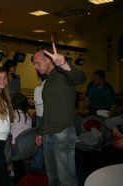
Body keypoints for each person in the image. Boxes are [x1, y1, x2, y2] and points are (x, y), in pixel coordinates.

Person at [31, 43, 86, 185]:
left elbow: (80, 78)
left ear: (48, 59)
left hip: (63, 132)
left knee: (65, 177)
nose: (36, 67)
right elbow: (47, 110)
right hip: (48, 133)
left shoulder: (63, 74)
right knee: (52, 175)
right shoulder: (48, 81)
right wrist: (40, 132)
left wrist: (64, 64)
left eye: (38, 63)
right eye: (34, 64)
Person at [31, 72, 47, 169]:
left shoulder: (41, 86)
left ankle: (37, 165)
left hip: (41, 117)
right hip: (43, 116)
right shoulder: (48, 84)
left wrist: (37, 88)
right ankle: (40, 163)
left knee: (40, 142)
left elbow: (38, 100)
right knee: (43, 142)